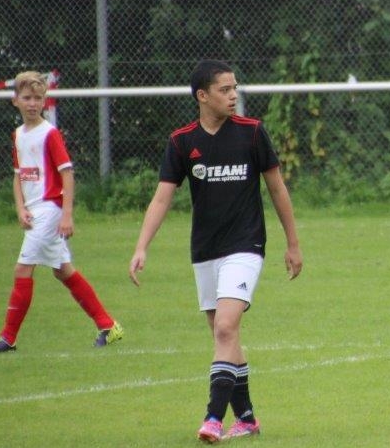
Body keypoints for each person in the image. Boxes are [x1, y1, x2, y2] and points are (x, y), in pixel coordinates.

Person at [128, 59, 303, 443]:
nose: (233, 95)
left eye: (234, 87)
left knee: (225, 326)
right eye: (225, 90)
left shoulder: (252, 132)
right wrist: (141, 246)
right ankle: (247, 418)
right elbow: (162, 198)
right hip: (205, 249)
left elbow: (277, 188)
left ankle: (212, 418)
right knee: (225, 334)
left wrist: (292, 244)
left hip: (246, 245)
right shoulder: (182, 141)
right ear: (202, 96)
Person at [0, 71, 123, 353]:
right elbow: (18, 176)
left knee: (22, 268)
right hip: (34, 211)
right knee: (63, 271)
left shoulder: (50, 134)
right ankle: (107, 325)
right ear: (15, 100)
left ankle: (8, 337)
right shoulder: (18, 135)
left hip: (50, 208)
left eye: (37, 98)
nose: (32, 103)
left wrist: (66, 215)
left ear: (44, 101)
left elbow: (67, 174)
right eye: (27, 98)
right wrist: (20, 207)